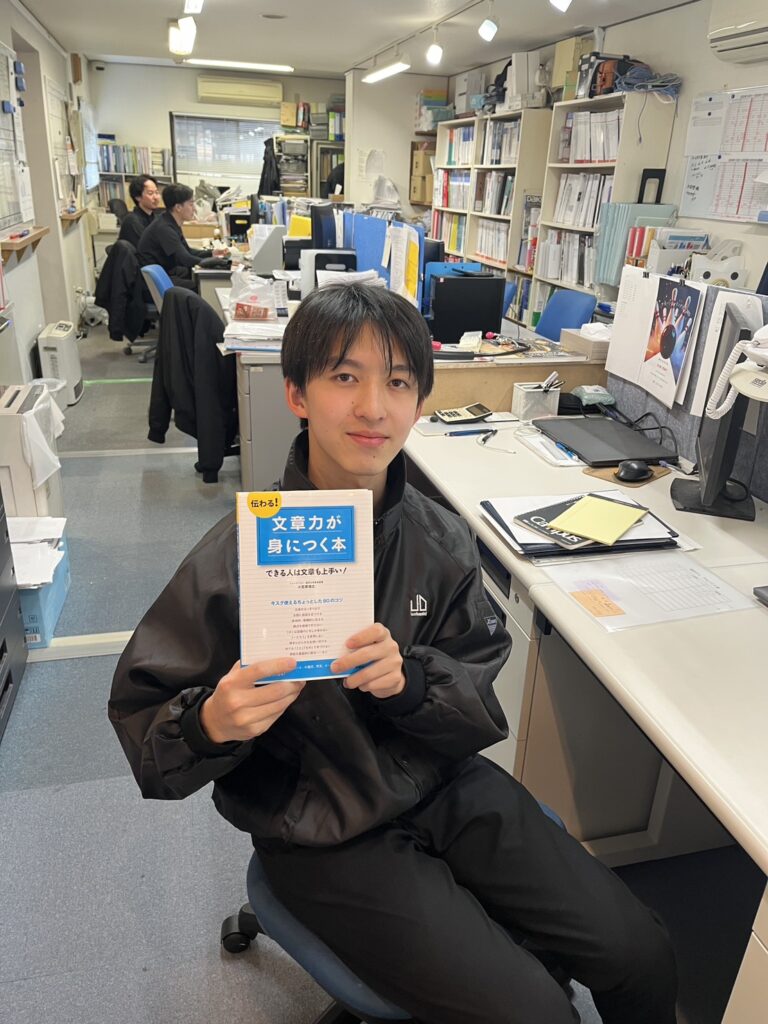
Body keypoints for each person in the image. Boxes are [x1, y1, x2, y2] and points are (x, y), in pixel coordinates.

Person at [108, 285, 677, 1024]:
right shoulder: (238, 556)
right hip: (320, 826)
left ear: (419, 403)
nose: (373, 407)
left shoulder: (442, 540)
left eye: (399, 382)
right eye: (345, 377)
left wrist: (410, 685)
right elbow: (146, 726)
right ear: (297, 393)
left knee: (642, 954)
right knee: (536, 1013)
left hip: (445, 785)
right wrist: (208, 723)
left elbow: (477, 693)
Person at [137, 182, 227, 285]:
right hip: (159, 282)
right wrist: (213, 262)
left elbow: (187, 251)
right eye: (191, 204)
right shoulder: (165, 228)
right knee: (202, 286)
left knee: (201, 280)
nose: (194, 209)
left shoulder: (170, 222)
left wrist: (212, 253)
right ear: (178, 207)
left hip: (166, 274)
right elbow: (184, 259)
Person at [118, 174, 162, 248]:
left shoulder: (156, 218)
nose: (156, 197)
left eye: (157, 193)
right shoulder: (132, 221)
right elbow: (148, 248)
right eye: (150, 193)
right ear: (138, 197)